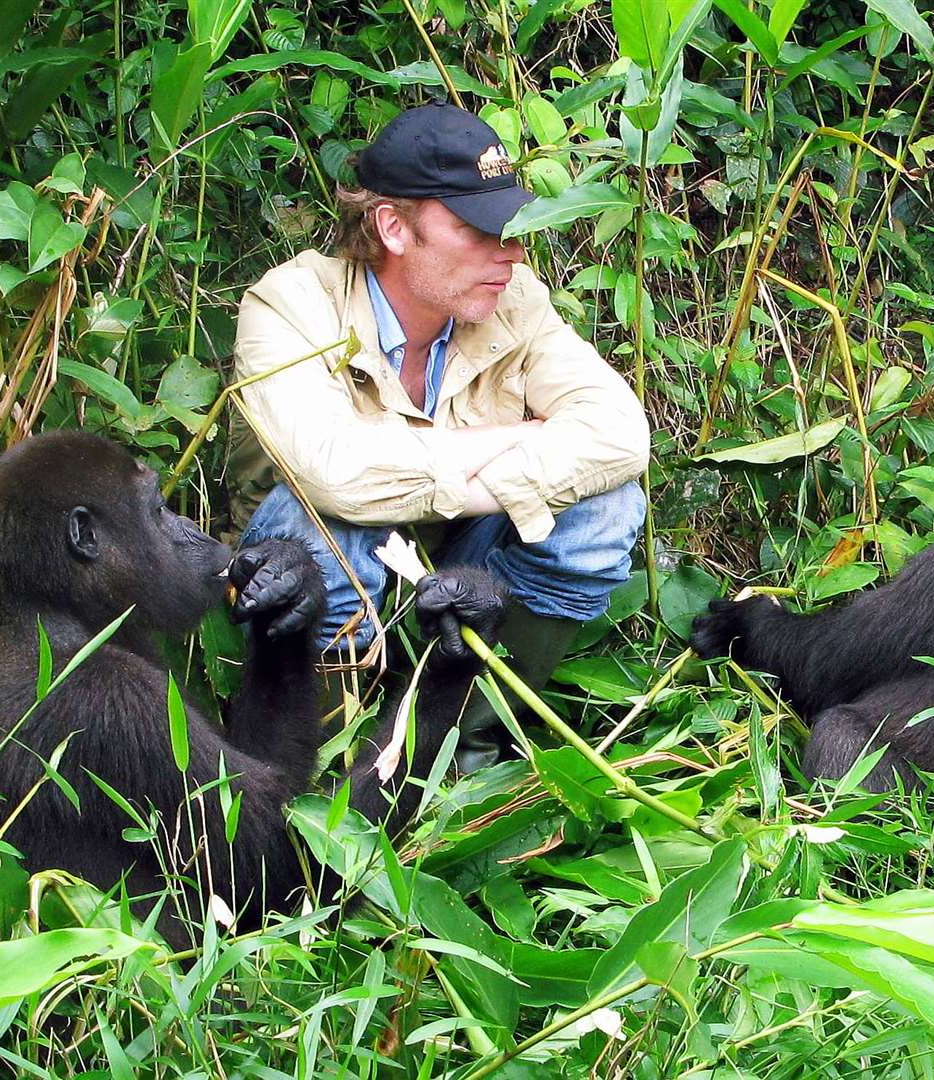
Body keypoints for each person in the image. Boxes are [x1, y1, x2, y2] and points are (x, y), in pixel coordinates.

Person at [225, 101, 650, 770]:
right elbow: (339, 481)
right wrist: (520, 441)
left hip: (463, 574)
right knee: (324, 532)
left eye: (512, 228)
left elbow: (621, 435)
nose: (510, 252)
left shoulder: (515, 299)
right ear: (393, 227)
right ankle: (325, 763)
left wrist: (439, 477)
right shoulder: (291, 302)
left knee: (606, 508)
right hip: (314, 581)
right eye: (478, 230)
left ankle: (457, 748)